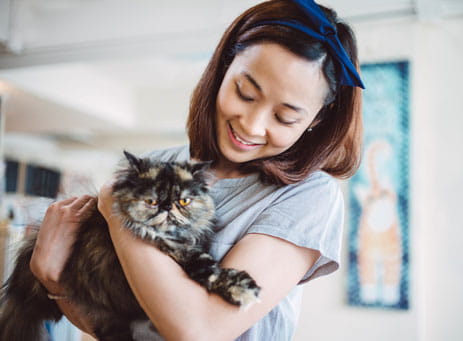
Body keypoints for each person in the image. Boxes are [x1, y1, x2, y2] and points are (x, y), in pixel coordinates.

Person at [29, 0, 364, 340]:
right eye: (245, 93)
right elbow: (120, 328)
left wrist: (119, 212)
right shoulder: (154, 163)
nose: (251, 125)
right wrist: (56, 284)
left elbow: (199, 331)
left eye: (285, 117)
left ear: (315, 120)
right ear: (223, 69)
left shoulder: (308, 196)